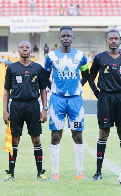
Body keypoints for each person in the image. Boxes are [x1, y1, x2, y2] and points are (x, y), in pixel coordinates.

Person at [88, 30, 121, 181]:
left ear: (120, 40)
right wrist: (98, 93)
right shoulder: (100, 58)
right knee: (103, 133)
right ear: (107, 41)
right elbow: (91, 77)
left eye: (116, 38)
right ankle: (98, 172)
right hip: (105, 97)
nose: (114, 41)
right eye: (111, 39)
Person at [44, 26, 89, 181]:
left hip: (76, 100)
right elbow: (45, 77)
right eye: (63, 36)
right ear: (59, 38)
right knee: (56, 136)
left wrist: (76, 87)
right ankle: (55, 173)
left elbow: (86, 75)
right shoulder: (50, 56)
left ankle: (80, 172)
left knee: (78, 135)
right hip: (57, 100)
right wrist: (55, 90)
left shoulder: (81, 56)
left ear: (72, 37)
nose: (66, 38)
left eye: (68, 36)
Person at [2, 40, 48, 182]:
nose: (24, 50)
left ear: (31, 51)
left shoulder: (38, 68)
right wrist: (5, 110)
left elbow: (43, 90)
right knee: (14, 139)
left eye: (27, 47)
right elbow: (6, 90)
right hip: (16, 106)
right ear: (18, 50)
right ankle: (10, 173)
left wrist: (44, 109)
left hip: (33, 106)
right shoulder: (11, 68)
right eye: (22, 47)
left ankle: (40, 172)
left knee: (36, 139)